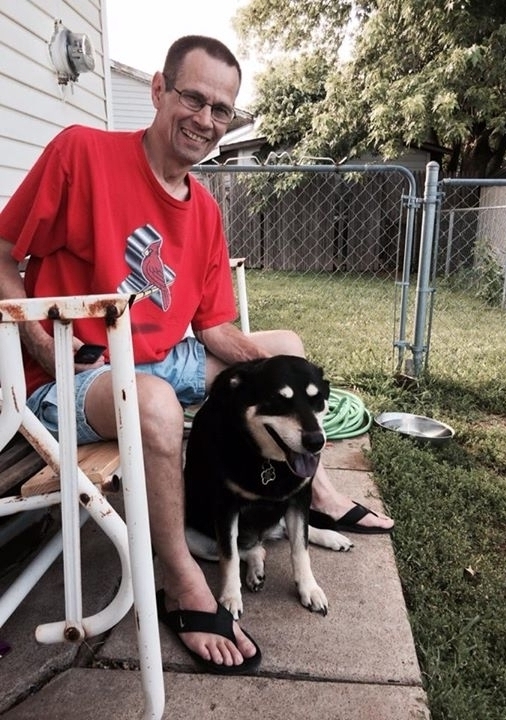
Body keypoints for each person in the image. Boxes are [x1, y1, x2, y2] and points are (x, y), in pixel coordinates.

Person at [0, 35, 393, 673]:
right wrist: (42, 342)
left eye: (221, 109)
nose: (206, 120)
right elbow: (3, 254)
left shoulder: (205, 210)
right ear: (159, 90)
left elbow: (213, 328)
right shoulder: (82, 153)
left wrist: (269, 372)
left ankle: (315, 489)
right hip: (76, 370)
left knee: (286, 349)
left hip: (164, 357)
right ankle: (182, 581)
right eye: (194, 98)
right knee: (154, 403)